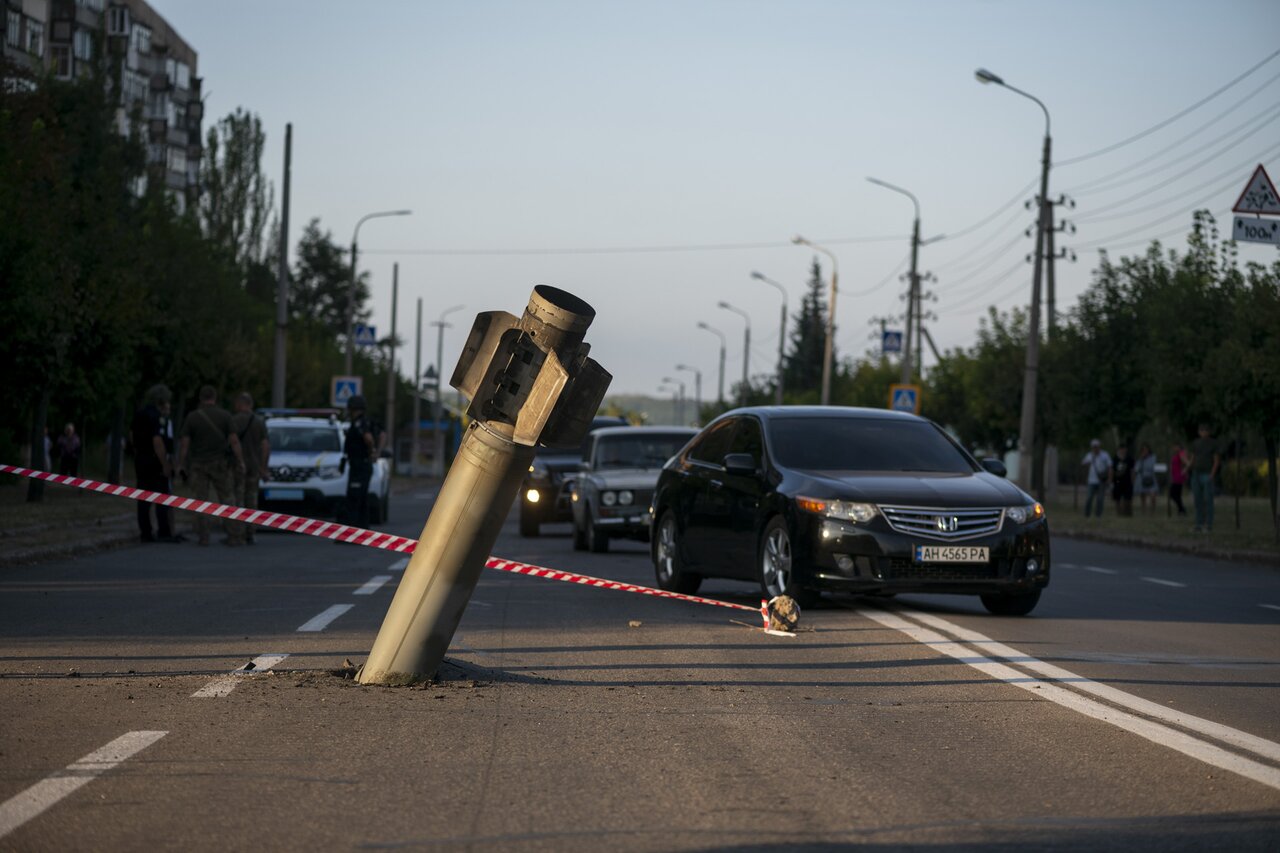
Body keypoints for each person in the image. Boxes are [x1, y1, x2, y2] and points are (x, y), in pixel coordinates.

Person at [176, 385, 246, 546]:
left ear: (201, 398)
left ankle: (204, 536)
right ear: (215, 398)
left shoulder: (192, 417)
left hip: (199, 465)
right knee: (227, 499)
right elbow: (234, 441)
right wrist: (240, 461)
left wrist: (180, 464)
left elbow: (184, 444)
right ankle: (234, 535)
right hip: (220, 464)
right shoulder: (225, 416)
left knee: (201, 501)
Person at [130, 385, 181, 543]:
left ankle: (145, 532)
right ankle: (163, 531)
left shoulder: (139, 413)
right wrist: (165, 463)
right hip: (154, 460)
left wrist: (138, 451)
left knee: (143, 497)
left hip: (141, 459)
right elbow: (157, 441)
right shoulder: (156, 417)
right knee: (162, 496)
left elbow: (131, 435)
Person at [230, 392, 270, 545]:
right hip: (254, 466)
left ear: (240, 404)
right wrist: (263, 467)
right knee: (252, 499)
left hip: (237, 466)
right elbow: (265, 445)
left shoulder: (233, 420)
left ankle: (237, 533)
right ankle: (250, 532)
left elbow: (232, 441)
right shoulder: (259, 422)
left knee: (237, 498)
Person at [342, 395, 376, 528]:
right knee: (361, 498)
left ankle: (353, 530)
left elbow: (368, 439)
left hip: (360, 465)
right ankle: (362, 529)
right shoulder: (361, 422)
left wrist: (371, 451)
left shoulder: (359, 423)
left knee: (354, 498)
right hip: (361, 464)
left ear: (353, 408)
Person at [1186, 423, 1221, 533]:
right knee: (1198, 499)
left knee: (1208, 499)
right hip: (1196, 473)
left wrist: (1212, 474)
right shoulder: (1196, 443)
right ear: (1199, 432)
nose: (1204, 432)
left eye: (1206, 430)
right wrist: (1188, 468)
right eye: (1202, 430)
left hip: (1207, 473)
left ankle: (1208, 525)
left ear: (1209, 432)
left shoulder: (1213, 444)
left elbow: (1216, 460)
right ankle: (1198, 524)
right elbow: (1193, 458)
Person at [1081, 439, 1112, 518]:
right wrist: (1088, 462)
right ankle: (1087, 514)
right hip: (1091, 480)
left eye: (1096, 447)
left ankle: (1098, 515)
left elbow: (1109, 467)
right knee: (1089, 498)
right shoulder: (1089, 455)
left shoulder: (1105, 455)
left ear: (1099, 447)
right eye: (1094, 447)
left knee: (1100, 499)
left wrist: (1109, 478)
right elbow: (1083, 463)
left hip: (1101, 480)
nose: (1095, 449)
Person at [1134, 443, 1158, 514]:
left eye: (1146, 450)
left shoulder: (1153, 457)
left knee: (1153, 495)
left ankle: (1152, 511)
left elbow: (1153, 466)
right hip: (1142, 478)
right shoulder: (1140, 459)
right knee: (1143, 496)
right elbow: (1137, 469)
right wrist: (1141, 459)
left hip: (1151, 478)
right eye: (1143, 450)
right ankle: (1143, 511)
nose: (1145, 451)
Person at [1112, 444, 1134, 517]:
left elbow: (1132, 470)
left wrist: (1133, 479)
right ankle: (1119, 512)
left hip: (1127, 481)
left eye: (1123, 449)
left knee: (1127, 498)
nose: (1122, 450)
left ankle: (1127, 513)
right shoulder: (1115, 459)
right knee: (1117, 498)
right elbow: (1112, 470)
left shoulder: (1129, 458)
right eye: (1121, 449)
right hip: (1117, 481)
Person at [1168, 443, 1189, 516]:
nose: (1174, 448)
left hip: (1178, 476)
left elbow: (1187, 463)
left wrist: (1185, 470)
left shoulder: (1181, 454)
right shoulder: (1176, 454)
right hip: (1175, 476)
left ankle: (1182, 508)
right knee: (1177, 494)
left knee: (1173, 493)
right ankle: (1181, 510)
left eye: (1176, 447)